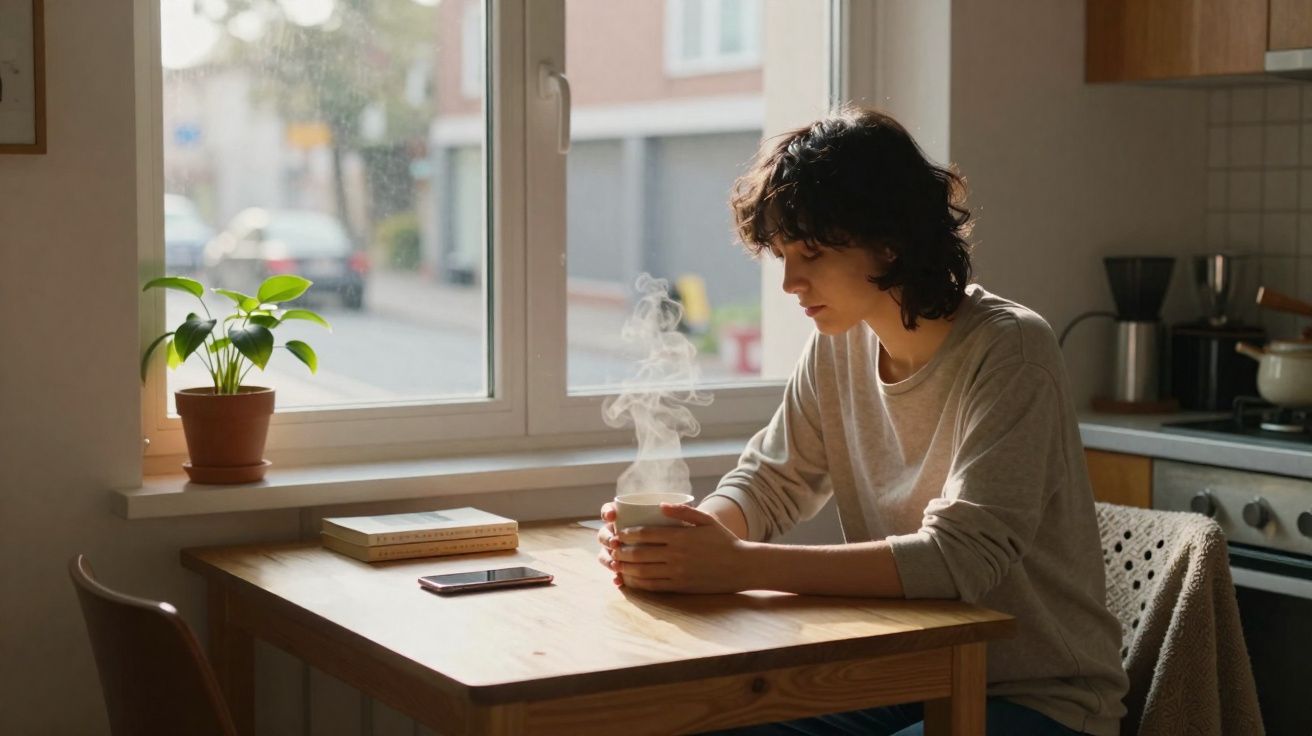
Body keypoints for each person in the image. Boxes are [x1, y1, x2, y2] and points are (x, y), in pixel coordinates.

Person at [594, 107, 1129, 736]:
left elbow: (960, 561)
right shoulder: (839, 342)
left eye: (813, 253)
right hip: (905, 668)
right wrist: (684, 544)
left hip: (1036, 696)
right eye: (785, 255)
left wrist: (738, 564)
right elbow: (770, 483)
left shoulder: (1011, 351)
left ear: (889, 241)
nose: (791, 281)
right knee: (707, 720)